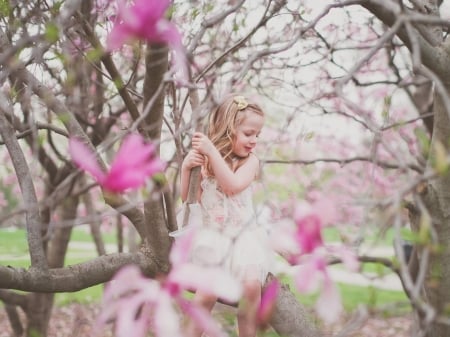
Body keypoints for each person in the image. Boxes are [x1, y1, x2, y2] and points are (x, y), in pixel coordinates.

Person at [181, 94, 272, 337]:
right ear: (229, 129)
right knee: (207, 291)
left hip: (243, 239)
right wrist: (186, 168)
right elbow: (189, 199)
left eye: (257, 135)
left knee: (252, 289)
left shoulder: (251, 161)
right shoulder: (207, 162)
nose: (254, 140)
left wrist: (211, 151)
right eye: (248, 133)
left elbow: (232, 186)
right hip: (212, 237)